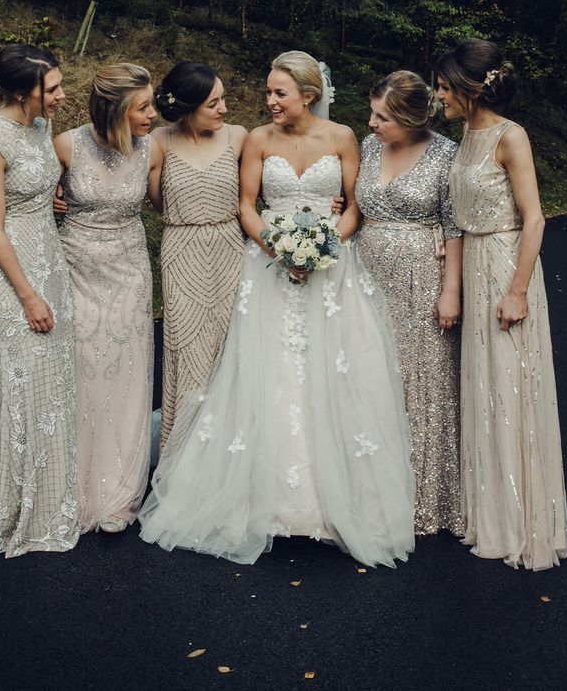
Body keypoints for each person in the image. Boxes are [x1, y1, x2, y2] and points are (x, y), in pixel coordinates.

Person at [139, 51, 415, 568]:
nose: (268, 101)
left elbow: (355, 205)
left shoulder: (343, 138)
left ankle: (333, 502)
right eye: (268, 92)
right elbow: (246, 204)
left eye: (278, 93)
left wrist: (327, 245)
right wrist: (278, 249)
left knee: (334, 375)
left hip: (332, 272)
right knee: (267, 376)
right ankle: (263, 500)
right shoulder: (258, 140)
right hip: (269, 270)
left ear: (308, 95)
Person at [436, 39, 567, 570]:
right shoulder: (465, 134)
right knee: (483, 386)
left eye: (445, 86)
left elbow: (534, 218)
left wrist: (516, 290)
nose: (439, 95)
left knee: (511, 388)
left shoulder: (511, 137)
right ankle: (488, 512)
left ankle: (521, 521)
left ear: (469, 89)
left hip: (504, 261)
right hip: (472, 261)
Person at [0, 44, 79, 557]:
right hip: (9, 266)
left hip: (47, 252)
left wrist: (49, 198)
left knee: (51, 374)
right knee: (22, 371)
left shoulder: (38, 126)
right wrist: (28, 295)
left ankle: (52, 497)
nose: (60, 95)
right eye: (50, 88)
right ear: (21, 91)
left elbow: (31, 188)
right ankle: (13, 506)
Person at [54, 64, 161, 533]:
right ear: (115, 109)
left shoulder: (150, 149)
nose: (152, 114)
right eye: (143, 107)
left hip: (130, 271)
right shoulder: (64, 145)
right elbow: (15, 186)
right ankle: (73, 488)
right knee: (82, 374)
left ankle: (119, 491)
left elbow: (165, 201)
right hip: (76, 269)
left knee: (127, 373)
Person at [355, 70, 463, 535]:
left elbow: (454, 227)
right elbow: (355, 202)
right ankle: (368, 490)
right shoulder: (366, 145)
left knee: (416, 380)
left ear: (412, 120)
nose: (373, 124)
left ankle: (420, 497)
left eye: (383, 118)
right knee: (368, 375)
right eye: (372, 114)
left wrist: (451, 291)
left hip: (421, 274)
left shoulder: (444, 153)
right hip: (363, 270)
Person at [151, 62, 248, 451]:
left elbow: (274, 179)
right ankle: (188, 452)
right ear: (188, 107)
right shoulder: (158, 140)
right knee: (188, 348)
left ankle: (232, 449)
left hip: (230, 249)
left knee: (232, 348)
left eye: (223, 99)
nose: (224, 108)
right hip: (181, 248)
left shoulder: (239, 137)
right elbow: (144, 195)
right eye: (214, 103)